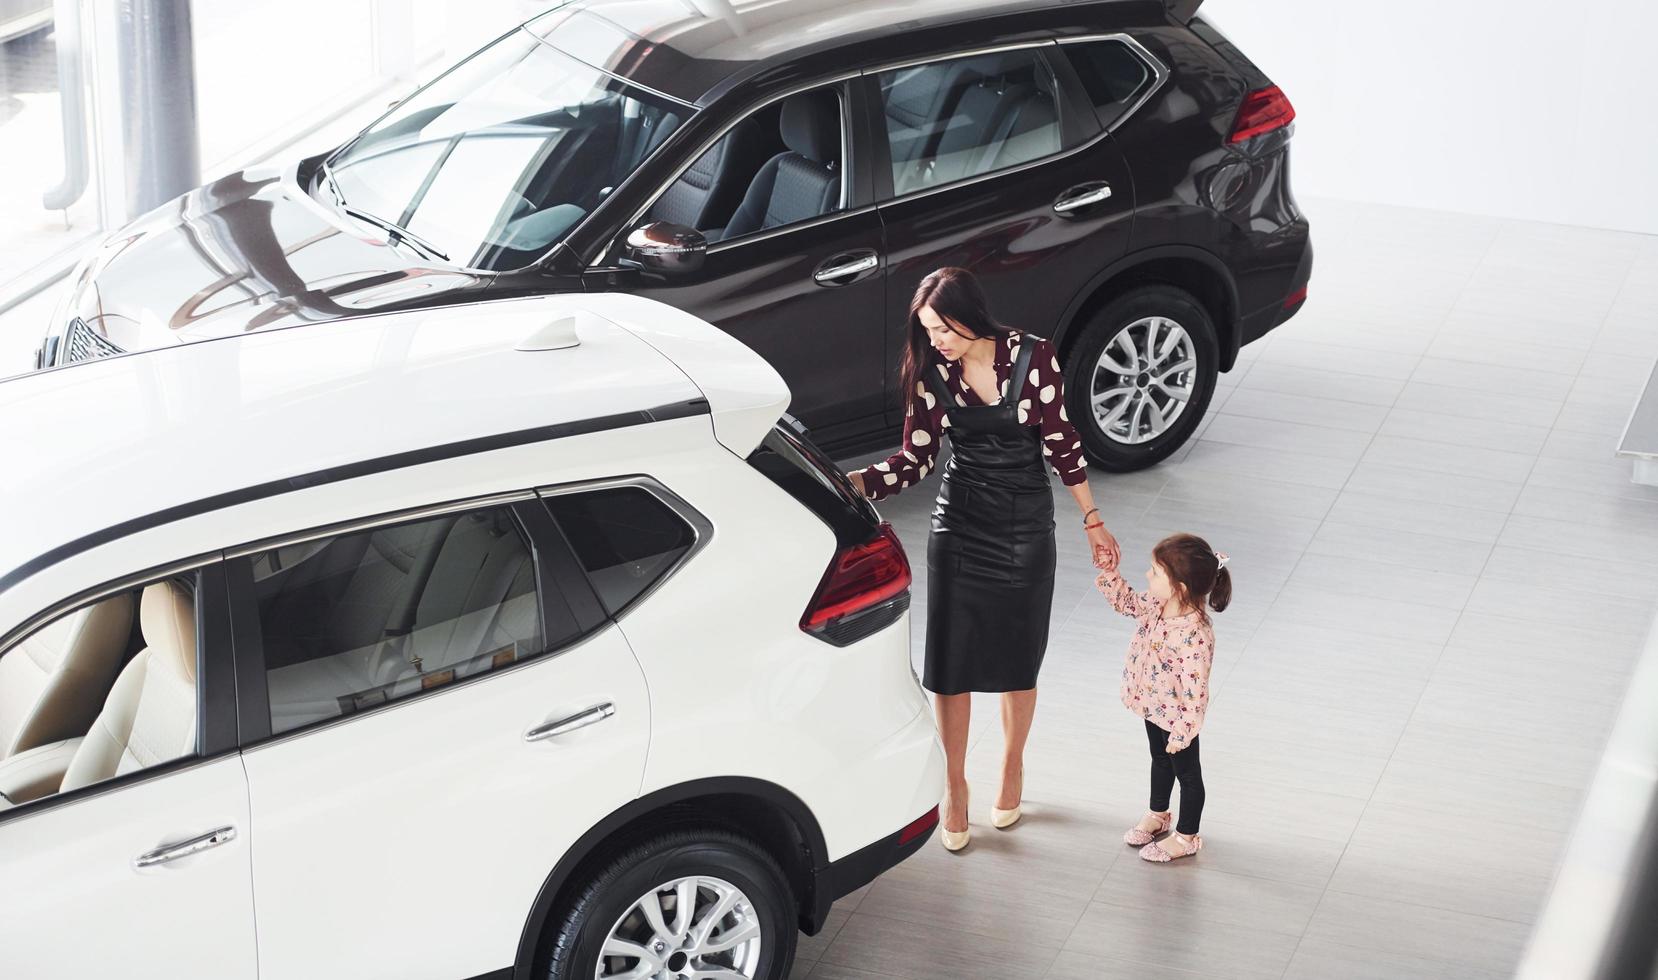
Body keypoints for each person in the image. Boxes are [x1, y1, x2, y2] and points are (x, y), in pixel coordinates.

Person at [847, 266, 1119, 852]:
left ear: (971, 315)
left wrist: (1092, 520)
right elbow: (915, 461)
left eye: (944, 328)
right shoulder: (929, 373)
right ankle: (954, 784)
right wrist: (859, 483)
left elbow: (1062, 442)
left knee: (1019, 660)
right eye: (928, 330)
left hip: (1025, 526)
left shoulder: (1034, 357)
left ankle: (1013, 765)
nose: (938, 340)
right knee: (949, 663)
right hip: (959, 528)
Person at [1095, 533, 1232, 862]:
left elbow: (1196, 691)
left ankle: (1187, 835)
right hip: (1153, 706)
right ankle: (1159, 815)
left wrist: (1184, 730)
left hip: (1178, 720)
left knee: (1188, 775)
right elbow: (1126, 602)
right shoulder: (1156, 605)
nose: (1147, 576)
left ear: (1179, 587)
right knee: (1159, 760)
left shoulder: (1194, 636)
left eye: (1155, 572)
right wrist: (1110, 572)